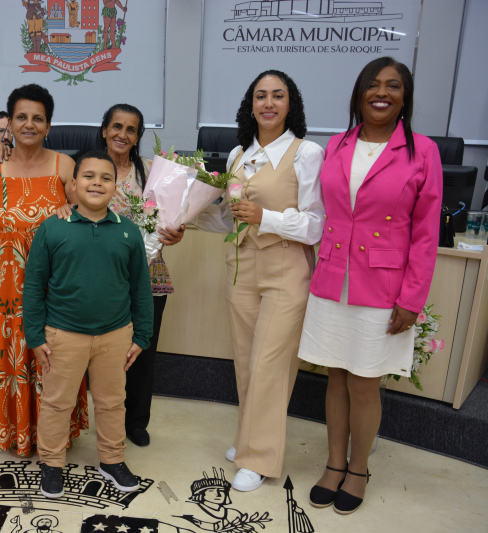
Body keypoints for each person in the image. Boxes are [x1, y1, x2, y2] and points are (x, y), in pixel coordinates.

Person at [299, 57, 442, 515]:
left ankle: (358, 469)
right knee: (335, 379)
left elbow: (425, 235)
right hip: (331, 279)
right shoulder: (337, 144)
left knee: (364, 383)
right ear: (359, 94)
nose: (382, 93)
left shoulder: (423, 151)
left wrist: (412, 299)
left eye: (393, 86)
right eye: (373, 85)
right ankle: (334, 463)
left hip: (382, 285)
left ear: (405, 97)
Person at [194, 70, 324, 492]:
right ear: (250, 106)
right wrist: (186, 213)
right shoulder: (238, 154)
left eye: (278, 96)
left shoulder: (307, 153)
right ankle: (249, 437)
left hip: (286, 268)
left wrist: (266, 217)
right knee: (247, 360)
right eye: (261, 96)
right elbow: (229, 218)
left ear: (291, 104)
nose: (268, 103)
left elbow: (317, 224)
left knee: (270, 364)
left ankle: (259, 457)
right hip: (241, 265)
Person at [0, 83, 88, 458]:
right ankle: (14, 431)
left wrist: (74, 210)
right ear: (10, 123)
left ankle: (53, 432)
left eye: (38, 118)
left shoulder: (64, 166)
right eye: (21, 117)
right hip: (5, 287)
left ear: (49, 125)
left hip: (55, 286)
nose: (29, 124)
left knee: (54, 355)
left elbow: (88, 216)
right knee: (12, 355)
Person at [23, 151, 154, 498]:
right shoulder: (53, 228)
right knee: (57, 403)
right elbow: (34, 285)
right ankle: (52, 463)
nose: (97, 183)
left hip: (115, 335)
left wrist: (142, 334)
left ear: (116, 186)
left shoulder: (128, 231)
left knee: (112, 402)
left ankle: (112, 460)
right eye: (88, 176)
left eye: (106, 178)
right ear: (73, 184)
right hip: (63, 335)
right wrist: (34, 335)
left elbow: (141, 287)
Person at [53, 103, 185, 447]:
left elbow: (171, 216)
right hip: (98, 279)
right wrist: (63, 206)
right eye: (116, 126)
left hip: (148, 276)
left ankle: (136, 421)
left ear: (138, 136)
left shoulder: (153, 172)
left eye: (131, 129)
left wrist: (175, 231)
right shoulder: (85, 170)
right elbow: (67, 210)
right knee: (89, 351)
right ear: (104, 130)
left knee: (141, 351)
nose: (122, 134)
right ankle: (82, 420)